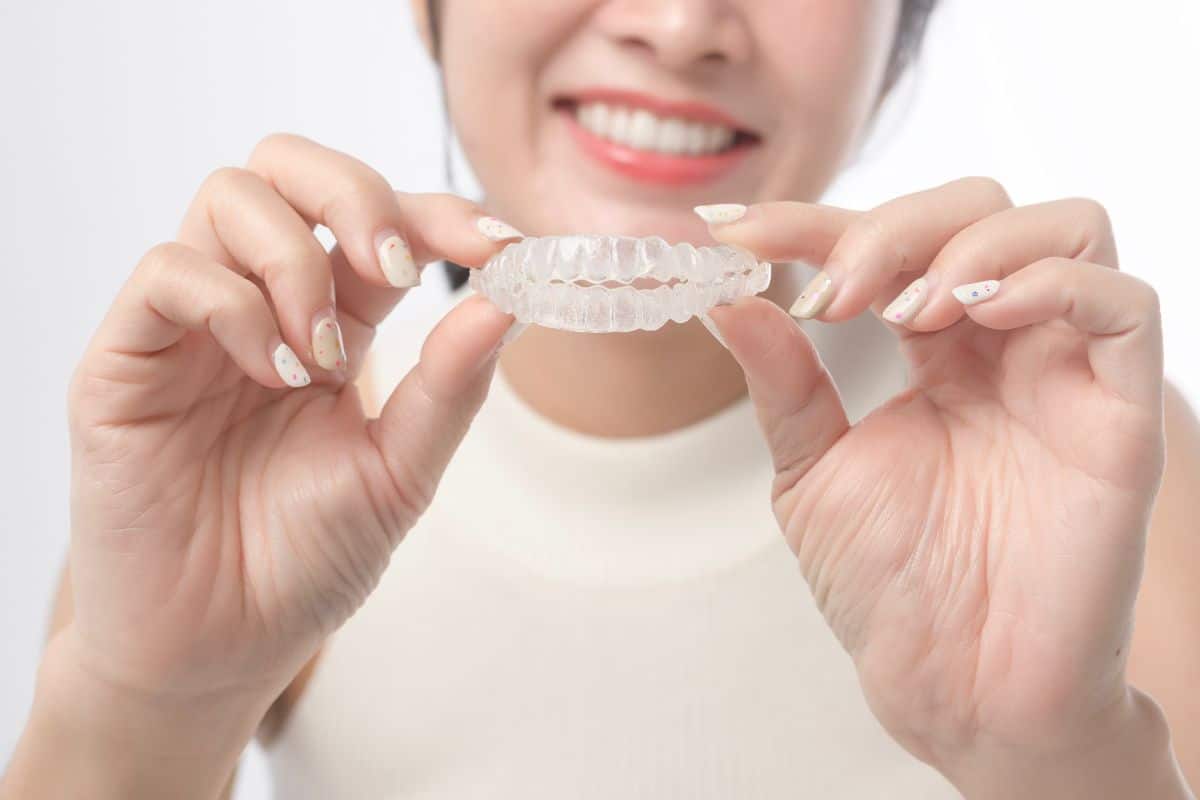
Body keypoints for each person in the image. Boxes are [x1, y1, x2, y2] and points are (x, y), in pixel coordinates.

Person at [4, 1, 1199, 797]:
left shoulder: (1088, 472)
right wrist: (148, 702)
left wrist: (1054, 755)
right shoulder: (255, 455)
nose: (678, 25)